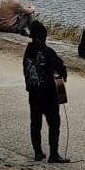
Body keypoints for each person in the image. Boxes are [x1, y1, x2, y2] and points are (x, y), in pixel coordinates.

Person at [23, 20, 68, 162]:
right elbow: (62, 69)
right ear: (43, 35)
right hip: (49, 94)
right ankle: (53, 154)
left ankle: (38, 152)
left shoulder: (28, 52)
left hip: (34, 94)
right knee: (54, 123)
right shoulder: (49, 52)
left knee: (35, 123)